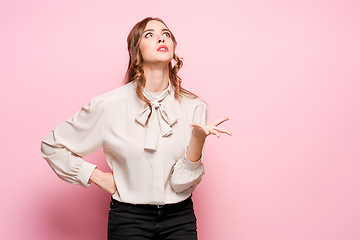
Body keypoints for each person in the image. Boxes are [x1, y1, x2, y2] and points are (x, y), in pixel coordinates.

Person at [41, 17, 232, 240]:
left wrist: (197, 141)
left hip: (180, 218)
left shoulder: (194, 106)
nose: (161, 37)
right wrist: (96, 176)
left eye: (166, 33)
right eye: (149, 34)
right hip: (129, 219)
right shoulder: (109, 105)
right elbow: (52, 146)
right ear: (136, 51)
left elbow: (181, 184)